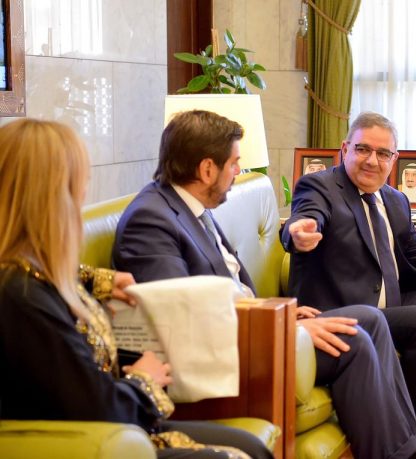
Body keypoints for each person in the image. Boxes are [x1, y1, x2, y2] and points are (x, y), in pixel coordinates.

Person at [112, 110, 416, 459]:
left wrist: (286, 317)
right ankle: (401, 453)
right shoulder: (152, 219)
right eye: (234, 164)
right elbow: (183, 318)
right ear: (207, 170)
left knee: (370, 321)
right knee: (355, 335)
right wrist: (284, 327)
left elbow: (226, 294)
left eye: (383, 153)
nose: (237, 173)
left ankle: (409, 444)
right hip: (228, 348)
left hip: (252, 326)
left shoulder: (189, 208)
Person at [0, 118, 272, 459]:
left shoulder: (31, 273)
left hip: (117, 425)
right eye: (79, 185)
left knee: (252, 446)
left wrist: (98, 281)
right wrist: (145, 380)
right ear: (51, 197)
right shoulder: (22, 296)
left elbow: (56, 280)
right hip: (91, 440)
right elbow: (98, 407)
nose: (83, 195)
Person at [282, 112, 416, 447]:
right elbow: (306, 216)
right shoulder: (319, 187)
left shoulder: (394, 198)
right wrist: (299, 233)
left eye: (382, 153)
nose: (372, 160)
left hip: (389, 301)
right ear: (345, 148)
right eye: (362, 149)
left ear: (394, 158)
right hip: (343, 311)